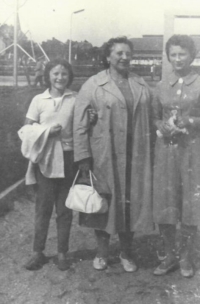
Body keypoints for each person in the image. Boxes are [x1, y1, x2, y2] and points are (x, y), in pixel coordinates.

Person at [73, 36, 154, 272]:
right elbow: (79, 124)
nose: (124, 57)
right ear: (108, 56)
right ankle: (101, 253)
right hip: (105, 155)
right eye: (119, 53)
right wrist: (83, 157)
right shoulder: (93, 85)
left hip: (134, 155)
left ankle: (126, 253)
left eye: (128, 53)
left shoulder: (140, 83)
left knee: (131, 203)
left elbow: (154, 114)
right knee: (104, 203)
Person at [21, 59, 77, 271]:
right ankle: (38, 252)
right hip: (45, 159)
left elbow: (83, 125)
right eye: (55, 74)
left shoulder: (75, 99)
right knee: (43, 208)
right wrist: (45, 132)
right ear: (48, 76)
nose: (60, 78)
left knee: (64, 209)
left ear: (69, 76)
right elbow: (26, 129)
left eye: (64, 74)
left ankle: (62, 252)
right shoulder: (39, 100)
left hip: (68, 158)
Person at [153, 35, 200, 278]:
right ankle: (170, 255)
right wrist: (162, 124)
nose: (178, 59)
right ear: (168, 56)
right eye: (173, 54)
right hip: (167, 152)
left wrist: (191, 121)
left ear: (192, 56)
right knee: (166, 203)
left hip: (193, 152)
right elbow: (155, 116)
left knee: (191, 206)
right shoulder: (162, 85)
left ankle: (186, 257)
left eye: (183, 54)